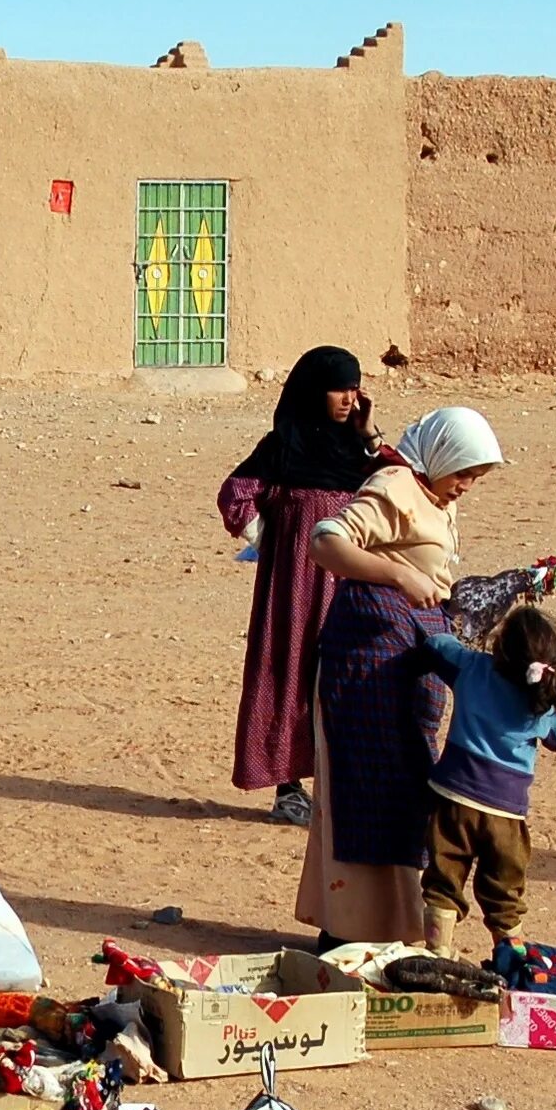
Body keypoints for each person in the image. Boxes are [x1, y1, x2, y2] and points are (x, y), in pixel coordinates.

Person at [293, 406, 506, 945]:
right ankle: (346, 931)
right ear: (443, 456)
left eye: (474, 479)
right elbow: (326, 541)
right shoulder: (394, 486)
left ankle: (390, 926)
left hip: (406, 663)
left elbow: (432, 572)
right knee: (364, 788)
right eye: (464, 473)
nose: (465, 487)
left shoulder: (432, 496)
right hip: (365, 666)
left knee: (404, 788)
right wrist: (398, 575)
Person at [219, 347, 382, 825]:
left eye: (355, 388)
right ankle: (288, 790)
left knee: (347, 679)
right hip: (293, 590)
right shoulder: (282, 448)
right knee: (288, 675)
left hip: (351, 588)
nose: (349, 399)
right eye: (339, 388)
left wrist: (370, 434)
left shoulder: (358, 452)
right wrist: (270, 539)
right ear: (314, 391)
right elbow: (236, 494)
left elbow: (402, 484)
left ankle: (340, 790)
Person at [415, 606, 556, 958]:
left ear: (499, 647)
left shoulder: (472, 668)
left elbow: (438, 645)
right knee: (505, 893)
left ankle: (438, 953)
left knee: (444, 879)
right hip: (506, 813)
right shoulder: (545, 706)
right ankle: (511, 959)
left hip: (453, 799)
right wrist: (555, 701)